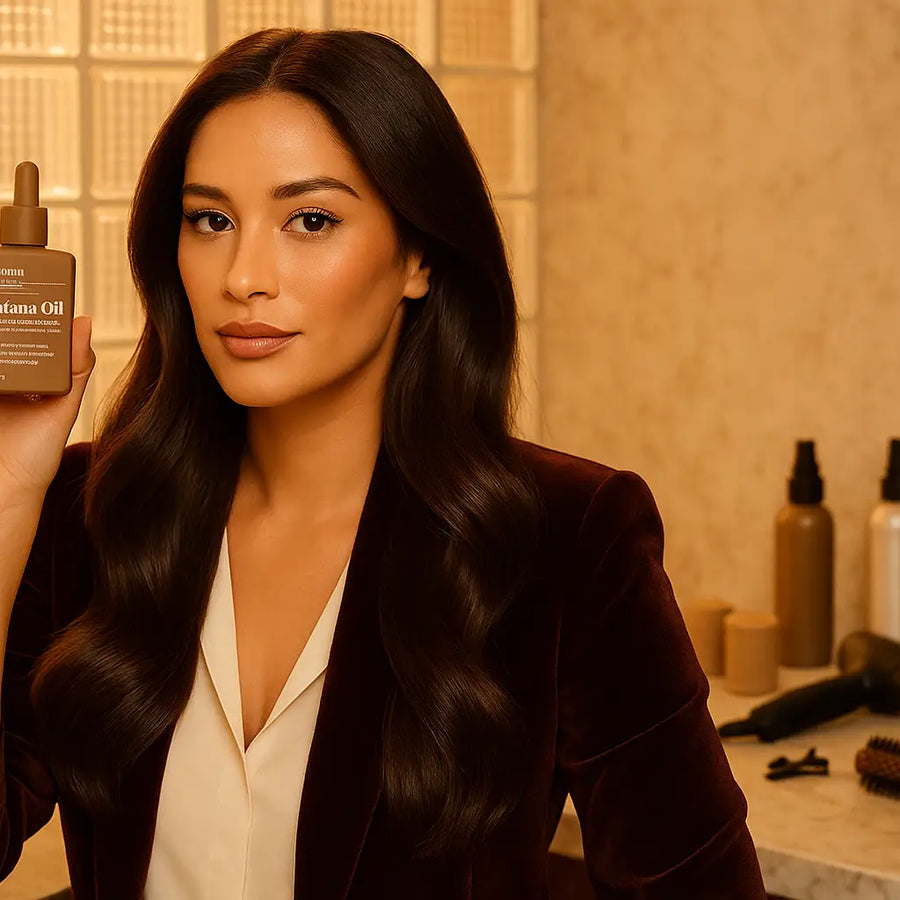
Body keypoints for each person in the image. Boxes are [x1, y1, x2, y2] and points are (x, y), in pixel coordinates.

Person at [0, 27, 768, 899]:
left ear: (418, 255)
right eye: (210, 220)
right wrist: (8, 486)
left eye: (311, 220)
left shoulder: (567, 539)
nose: (244, 275)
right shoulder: (88, 515)